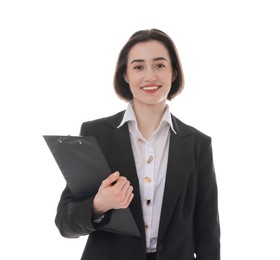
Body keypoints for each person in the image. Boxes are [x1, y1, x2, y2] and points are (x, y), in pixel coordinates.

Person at [55, 28, 220, 260]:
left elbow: (208, 235)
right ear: (126, 75)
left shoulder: (198, 144)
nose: (150, 76)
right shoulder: (96, 134)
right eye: (138, 67)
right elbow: (65, 222)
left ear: (173, 72)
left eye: (160, 65)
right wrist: (98, 205)